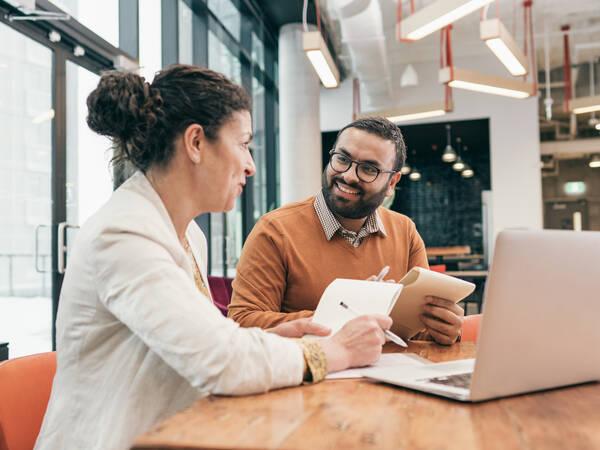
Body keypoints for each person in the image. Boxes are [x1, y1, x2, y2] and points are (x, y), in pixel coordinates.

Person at [34, 66, 392, 450]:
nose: (250, 165)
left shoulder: (188, 233)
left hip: (173, 431)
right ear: (196, 142)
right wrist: (332, 351)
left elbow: (192, 344)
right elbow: (222, 364)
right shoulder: (123, 234)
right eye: (243, 144)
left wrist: (266, 338)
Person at [228, 117, 464, 345]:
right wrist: (344, 315)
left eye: (369, 169)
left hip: (392, 377)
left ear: (391, 183)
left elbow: (415, 332)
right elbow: (243, 322)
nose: (348, 175)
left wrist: (442, 329)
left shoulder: (405, 231)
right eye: (342, 159)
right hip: (314, 380)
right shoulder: (275, 230)